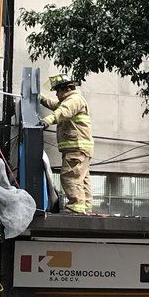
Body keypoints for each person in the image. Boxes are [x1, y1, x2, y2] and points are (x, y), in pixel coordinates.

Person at [39, 72, 94, 214]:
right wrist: (41, 98)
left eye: (58, 90)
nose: (56, 94)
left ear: (66, 89)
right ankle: (84, 208)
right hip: (80, 149)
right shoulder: (72, 99)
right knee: (81, 179)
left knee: (70, 176)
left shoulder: (74, 100)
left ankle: (75, 209)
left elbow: (63, 111)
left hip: (76, 148)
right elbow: (56, 105)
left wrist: (47, 121)